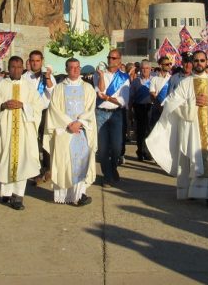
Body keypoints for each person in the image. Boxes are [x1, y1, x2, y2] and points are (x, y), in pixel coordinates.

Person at [146, 51, 208, 209]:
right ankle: (192, 191)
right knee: (190, 159)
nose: (199, 63)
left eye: (202, 60)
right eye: (196, 60)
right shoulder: (185, 83)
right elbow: (172, 103)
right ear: (192, 62)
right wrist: (191, 103)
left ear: (207, 62)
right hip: (191, 128)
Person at [0, 56, 43, 210]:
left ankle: (19, 196)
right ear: (9, 68)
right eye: (13, 67)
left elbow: (38, 108)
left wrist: (23, 105)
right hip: (4, 131)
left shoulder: (29, 87)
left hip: (24, 132)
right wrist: (2, 106)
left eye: (19, 67)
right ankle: (6, 193)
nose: (16, 70)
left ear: (23, 68)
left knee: (22, 162)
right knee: (4, 161)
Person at [45, 58, 97, 205]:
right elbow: (53, 109)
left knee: (81, 162)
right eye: (71, 67)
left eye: (77, 67)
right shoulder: (59, 88)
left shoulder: (88, 88)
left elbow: (90, 109)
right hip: (65, 132)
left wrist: (79, 122)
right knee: (65, 163)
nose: (75, 70)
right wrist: (69, 124)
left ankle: (79, 195)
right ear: (66, 69)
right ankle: (67, 195)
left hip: (82, 131)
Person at [93, 49, 130, 187]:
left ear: (119, 60)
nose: (111, 60)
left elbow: (123, 100)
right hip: (100, 113)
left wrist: (108, 98)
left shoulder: (124, 78)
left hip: (116, 114)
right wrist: (102, 76)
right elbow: (99, 92)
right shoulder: (98, 75)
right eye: (109, 57)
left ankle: (112, 169)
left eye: (114, 58)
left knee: (116, 147)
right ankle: (108, 176)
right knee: (102, 149)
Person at [24, 50, 55, 183]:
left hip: (44, 112)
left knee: (45, 139)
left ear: (41, 61)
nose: (35, 63)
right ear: (29, 62)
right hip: (29, 113)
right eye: (33, 61)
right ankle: (36, 170)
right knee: (32, 141)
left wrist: (47, 77)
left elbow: (53, 92)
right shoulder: (24, 77)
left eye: (38, 61)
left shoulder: (48, 77)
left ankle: (48, 168)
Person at [130, 59, 153, 161]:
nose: (145, 70)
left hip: (151, 107)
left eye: (147, 68)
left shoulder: (154, 80)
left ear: (150, 69)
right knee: (140, 131)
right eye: (143, 68)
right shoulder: (135, 81)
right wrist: (130, 110)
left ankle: (147, 152)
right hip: (139, 107)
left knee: (150, 131)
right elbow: (131, 96)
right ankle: (140, 151)